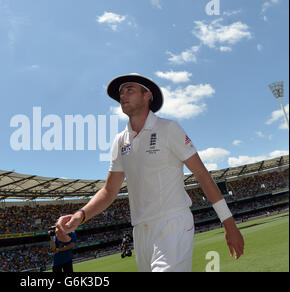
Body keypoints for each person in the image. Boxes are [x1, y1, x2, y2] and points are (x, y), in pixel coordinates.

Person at [55, 73, 244, 272]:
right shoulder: (120, 141)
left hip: (173, 223)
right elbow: (110, 191)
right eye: (120, 93)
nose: (122, 96)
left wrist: (228, 222)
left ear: (148, 96)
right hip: (141, 231)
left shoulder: (169, 128)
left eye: (129, 89)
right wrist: (80, 215)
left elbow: (201, 174)